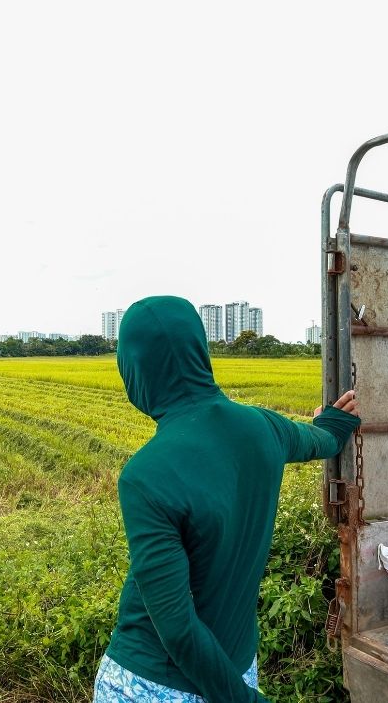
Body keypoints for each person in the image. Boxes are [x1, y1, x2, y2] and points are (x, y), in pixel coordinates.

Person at [94, 296, 360, 703]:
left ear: (135, 368)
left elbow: (178, 629)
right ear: (199, 351)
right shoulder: (264, 427)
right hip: (237, 668)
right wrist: (338, 422)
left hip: (148, 684)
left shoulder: (145, 476)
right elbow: (319, 439)